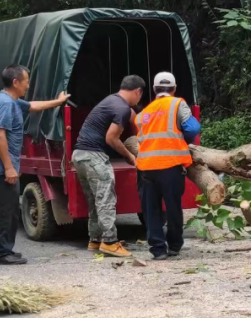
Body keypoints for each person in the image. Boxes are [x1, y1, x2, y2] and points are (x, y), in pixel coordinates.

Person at [0, 65, 71, 265]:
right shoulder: (6, 104)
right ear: (15, 82)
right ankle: (1, 252)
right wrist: (8, 167)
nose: (28, 84)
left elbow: (32, 106)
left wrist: (58, 102)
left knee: (0, 210)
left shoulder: (8, 100)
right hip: (1, 168)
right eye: (26, 80)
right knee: (7, 211)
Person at [72, 75, 147, 258]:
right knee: (106, 199)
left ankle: (95, 240)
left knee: (94, 200)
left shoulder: (111, 100)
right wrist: (130, 156)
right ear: (138, 92)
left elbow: (134, 119)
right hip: (94, 157)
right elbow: (111, 138)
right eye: (140, 96)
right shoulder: (121, 108)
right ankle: (110, 242)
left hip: (79, 155)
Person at [136, 72, 201, 260]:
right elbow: (193, 128)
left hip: (146, 167)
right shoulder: (177, 104)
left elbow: (141, 139)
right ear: (173, 89)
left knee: (151, 209)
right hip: (171, 165)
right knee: (173, 207)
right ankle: (174, 246)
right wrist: (181, 139)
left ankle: (157, 249)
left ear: (155, 90)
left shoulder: (143, 114)